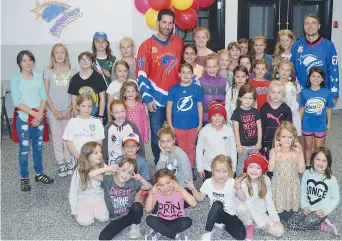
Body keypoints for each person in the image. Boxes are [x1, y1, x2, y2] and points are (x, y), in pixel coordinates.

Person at [137, 9, 183, 163]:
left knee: (175, 132)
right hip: (155, 99)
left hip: (175, 98)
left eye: (170, 23)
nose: (167, 26)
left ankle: (175, 162)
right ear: (157, 22)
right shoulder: (145, 46)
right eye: (164, 22)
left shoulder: (178, 43)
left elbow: (185, 68)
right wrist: (147, 98)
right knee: (157, 135)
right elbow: (141, 74)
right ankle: (159, 164)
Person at [11, 50, 54, 191]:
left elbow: (43, 97)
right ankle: (24, 177)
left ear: (33, 62)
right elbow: (17, 102)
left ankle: (39, 173)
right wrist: (33, 115)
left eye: (30, 59)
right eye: (24, 60)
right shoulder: (15, 79)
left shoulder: (37, 77)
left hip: (38, 118)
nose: (27, 63)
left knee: (38, 148)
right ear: (19, 63)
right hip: (24, 119)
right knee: (24, 150)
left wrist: (40, 114)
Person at [89, 158, 152, 240]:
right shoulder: (109, 179)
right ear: (118, 169)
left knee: (137, 207)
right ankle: (130, 221)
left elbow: (149, 187)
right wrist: (108, 168)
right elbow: (90, 175)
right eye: (123, 170)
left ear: (133, 175)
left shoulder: (133, 182)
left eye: (129, 173)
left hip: (129, 212)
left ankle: (136, 224)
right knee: (103, 237)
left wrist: (140, 178)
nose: (125, 175)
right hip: (116, 218)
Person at [187, 155, 246, 241]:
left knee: (241, 235)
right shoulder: (208, 182)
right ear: (213, 170)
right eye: (217, 171)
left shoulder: (232, 182)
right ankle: (208, 231)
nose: (221, 175)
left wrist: (238, 189)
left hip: (230, 214)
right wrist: (193, 189)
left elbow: (243, 199)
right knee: (217, 204)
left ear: (229, 171)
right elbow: (200, 198)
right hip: (216, 213)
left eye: (225, 171)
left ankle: (221, 225)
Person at [285, 147, 340, 235]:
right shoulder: (307, 173)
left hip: (320, 211)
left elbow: (335, 198)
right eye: (318, 159)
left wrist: (324, 210)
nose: (320, 163)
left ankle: (324, 226)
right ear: (312, 160)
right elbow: (303, 191)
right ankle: (320, 225)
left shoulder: (331, 179)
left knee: (307, 222)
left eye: (324, 161)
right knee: (290, 224)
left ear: (328, 163)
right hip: (307, 207)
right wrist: (304, 206)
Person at [43, 43, 76, 177]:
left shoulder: (72, 71)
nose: (60, 55)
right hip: (53, 111)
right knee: (57, 137)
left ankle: (69, 161)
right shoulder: (48, 71)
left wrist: (70, 109)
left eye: (62, 52)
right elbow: (45, 94)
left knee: (67, 137)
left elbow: (75, 93)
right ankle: (61, 163)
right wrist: (54, 111)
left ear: (66, 55)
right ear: (53, 55)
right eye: (57, 53)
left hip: (68, 110)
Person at [291, 14, 339, 104]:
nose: (310, 26)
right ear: (304, 27)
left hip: (322, 93)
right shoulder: (296, 46)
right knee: (301, 118)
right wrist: (292, 91)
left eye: (313, 23)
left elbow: (334, 71)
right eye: (307, 23)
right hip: (301, 94)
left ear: (319, 26)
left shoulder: (329, 46)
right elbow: (291, 70)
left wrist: (334, 94)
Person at [235, 153, 284, 240]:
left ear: (263, 170)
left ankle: (255, 225)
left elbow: (269, 201)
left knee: (280, 231)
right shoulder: (243, 181)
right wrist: (261, 222)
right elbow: (248, 203)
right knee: (242, 208)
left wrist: (276, 220)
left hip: (260, 213)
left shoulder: (266, 180)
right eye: (251, 167)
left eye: (258, 168)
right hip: (247, 212)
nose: (254, 170)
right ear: (246, 168)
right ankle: (249, 226)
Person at [167, 63, 203, 176]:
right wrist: (170, 124)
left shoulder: (197, 89)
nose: (186, 75)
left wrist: (200, 123)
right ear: (179, 74)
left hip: (193, 124)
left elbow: (200, 107)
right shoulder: (173, 89)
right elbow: (169, 108)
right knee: (181, 148)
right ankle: (182, 167)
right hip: (178, 124)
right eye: (183, 72)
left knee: (191, 147)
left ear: (192, 75)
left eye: (189, 73)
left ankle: (191, 167)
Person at [145, 169, 197, 240]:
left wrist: (181, 189)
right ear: (157, 186)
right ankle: (176, 236)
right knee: (149, 219)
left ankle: (159, 232)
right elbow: (148, 210)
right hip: (162, 219)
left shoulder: (179, 190)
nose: (165, 187)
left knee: (188, 221)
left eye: (168, 183)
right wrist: (151, 193)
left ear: (173, 181)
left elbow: (194, 204)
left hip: (178, 219)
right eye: (161, 185)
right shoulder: (157, 192)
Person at [268, 121, 306, 221]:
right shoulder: (273, 151)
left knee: (291, 214)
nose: (287, 140)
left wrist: (301, 153)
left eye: (290, 137)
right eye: (284, 136)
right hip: (278, 186)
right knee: (279, 214)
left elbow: (301, 170)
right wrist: (275, 153)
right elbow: (270, 169)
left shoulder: (296, 152)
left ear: (294, 138)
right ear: (278, 138)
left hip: (292, 185)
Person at [299, 67, 333, 167]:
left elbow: (328, 109)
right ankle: (308, 164)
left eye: (319, 76)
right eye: (313, 76)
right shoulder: (304, 92)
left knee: (319, 148)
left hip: (320, 125)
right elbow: (301, 109)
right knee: (308, 146)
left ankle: (318, 166)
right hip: (307, 125)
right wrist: (298, 124)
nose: (316, 78)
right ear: (309, 77)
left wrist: (329, 123)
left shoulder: (327, 92)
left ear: (322, 79)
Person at [69, 142, 109, 226]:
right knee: (85, 221)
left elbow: (111, 178)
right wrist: (74, 210)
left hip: (99, 196)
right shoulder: (80, 169)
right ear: (87, 155)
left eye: (100, 152)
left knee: (104, 218)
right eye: (96, 153)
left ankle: (92, 210)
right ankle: (86, 209)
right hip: (83, 197)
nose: (100, 155)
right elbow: (73, 190)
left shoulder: (102, 165)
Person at [197, 101, 237, 177]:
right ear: (210, 117)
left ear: (224, 117)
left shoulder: (229, 131)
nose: (217, 118)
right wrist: (200, 168)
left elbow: (233, 150)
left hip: (226, 168)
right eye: (214, 115)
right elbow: (199, 150)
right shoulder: (204, 131)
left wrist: (233, 168)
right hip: (209, 168)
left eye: (220, 115)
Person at [63, 94, 104, 161]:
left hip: (94, 158)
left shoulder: (97, 122)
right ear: (78, 107)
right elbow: (69, 143)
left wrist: (94, 156)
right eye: (83, 106)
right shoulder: (72, 122)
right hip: (78, 158)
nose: (87, 109)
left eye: (89, 106)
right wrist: (79, 158)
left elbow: (99, 142)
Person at [231, 84, 262, 175]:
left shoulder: (255, 111)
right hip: (243, 146)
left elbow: (259, 128)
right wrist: (238, 145)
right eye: (245, 98)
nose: (248, 101)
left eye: (250, 98)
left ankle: (253, 180)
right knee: (241, 164)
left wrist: (259, 142)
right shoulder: (237, 112)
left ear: (254, 100)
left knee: (254, 164)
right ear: (240, 98)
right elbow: (236, 131)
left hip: (254, 145)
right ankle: (239, 181)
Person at [68, 51, 106, 121]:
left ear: (93, 63)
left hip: (96, 115)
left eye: (88, 59)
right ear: (79, 62)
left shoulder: (98, 77)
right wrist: (76, 114)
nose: (85, 61)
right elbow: (74, 99)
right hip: (80, 116)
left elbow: (102, 98)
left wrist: (100, 115)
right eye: (82, 59)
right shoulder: (74, 79)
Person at [103, 100, 144, 164]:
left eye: (122, 111)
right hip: (113, 162)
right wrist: (104, 161)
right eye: (117, 112)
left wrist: (142, 159)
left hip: (129, 162)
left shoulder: (132, 126)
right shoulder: (108, 127)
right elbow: (105, 145)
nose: (120, 115)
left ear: (126, 111)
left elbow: (139, 144)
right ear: (111, 113)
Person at [260, 81, 292, 158]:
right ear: (269, 94)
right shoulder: (264, 108)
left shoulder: (286, 109)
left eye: (279, 92)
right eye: (273, 92)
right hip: (267, 141)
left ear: (283, 94)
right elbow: (260, 126)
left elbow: (289, 128)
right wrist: (260, 141)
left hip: (282, 142)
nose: (276, 95)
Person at [273, 60, 302, 145]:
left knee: (295, 140)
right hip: (279, 117)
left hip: (294, 116)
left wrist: (299, 115)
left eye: (287, 70)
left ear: (291, 72)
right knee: (281, 139)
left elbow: (298, 100)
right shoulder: (274, 84)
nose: (284, 72)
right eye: (282, 69)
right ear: (278, 69)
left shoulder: (295, 85)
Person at [156, 122, 193, 188]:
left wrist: (174, 187)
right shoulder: (163, 151)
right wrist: (163, 155)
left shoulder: (180, 154)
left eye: (168, 141)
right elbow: (159, 172)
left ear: (173, 140)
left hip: (182, 185)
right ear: (159, 142)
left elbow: (186, 176)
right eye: (163, 141)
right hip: (168, 184)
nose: (165, 145)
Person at [199, 53, 227, 123]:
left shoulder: (225, 82)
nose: (211, 69)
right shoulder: (199, 82)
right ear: (205, 67)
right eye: (209, 66)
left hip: (220, 121)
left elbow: (228, 102)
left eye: (214, 66)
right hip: (204, 120)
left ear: (218, 66)